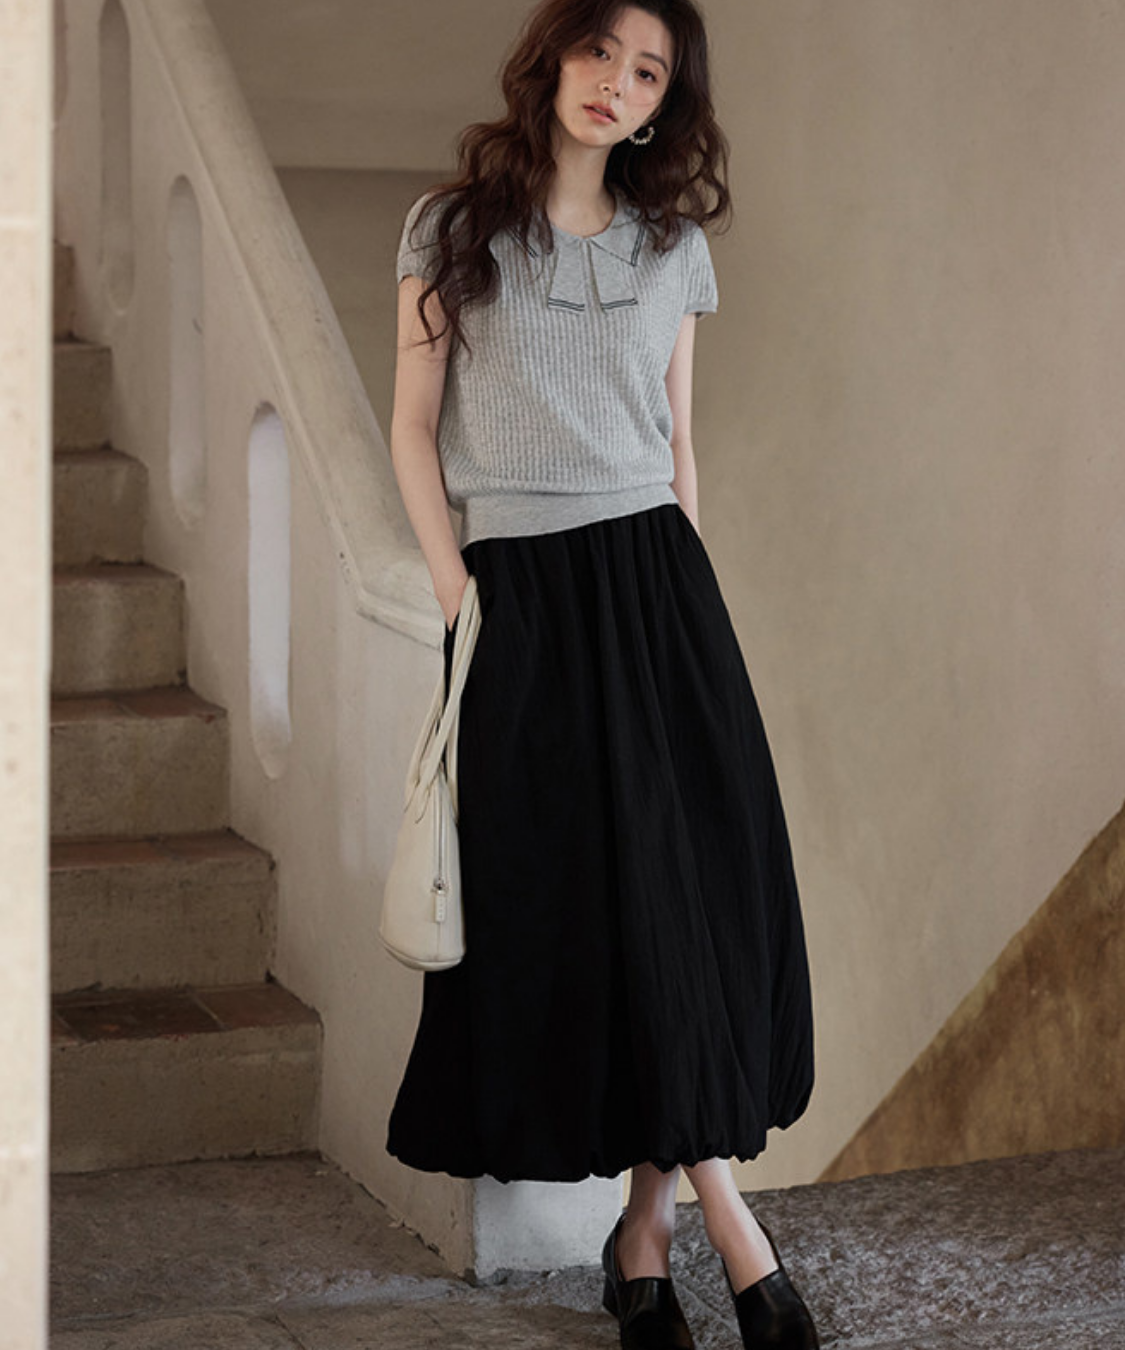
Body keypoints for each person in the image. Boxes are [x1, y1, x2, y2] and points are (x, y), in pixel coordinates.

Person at [384, 1, 818, 1346]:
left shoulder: (673, 247)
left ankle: (657, 1233)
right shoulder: (451, 231)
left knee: (689, 909)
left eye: (648, 73)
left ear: (660, 103)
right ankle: (728, 1235)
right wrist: (461, 597)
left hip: (660, 593)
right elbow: (410, 429)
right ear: (554, 54)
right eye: (600, 53)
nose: (616, 86)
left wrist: (685, 611)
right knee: (594, 914)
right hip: (521, 599)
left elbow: (680, 448)